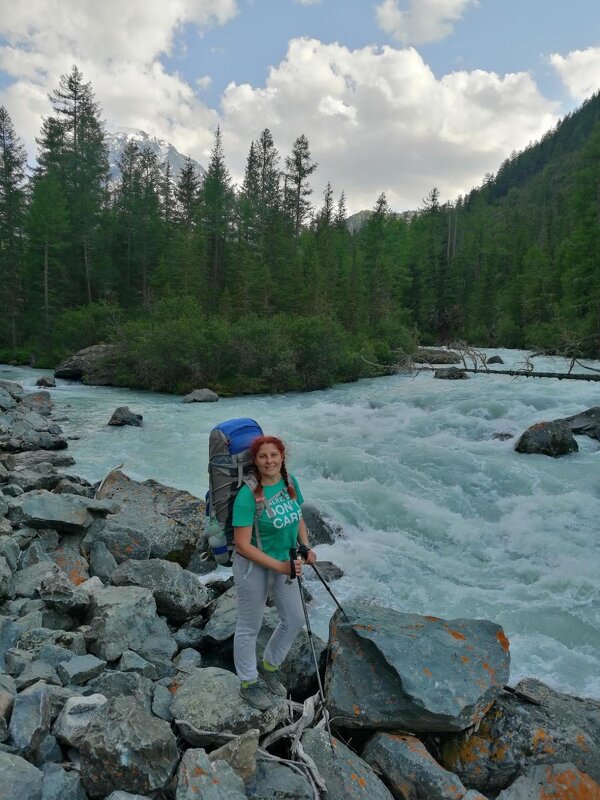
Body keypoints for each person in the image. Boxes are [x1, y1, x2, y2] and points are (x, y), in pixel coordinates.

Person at [232, 434, 316, 709]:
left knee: (294, 618)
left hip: (287, 561)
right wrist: (280, 566)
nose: (269, 461)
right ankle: (248, 682)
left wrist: (305, 545)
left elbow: (298, 516)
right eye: (263, 456)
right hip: (253, 567)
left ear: (282, 457)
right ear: (255, 461)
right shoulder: (247, 495)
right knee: (249, 626)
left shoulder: (290, 483)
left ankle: (269, 667)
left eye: (274, 455)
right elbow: (242, 545)